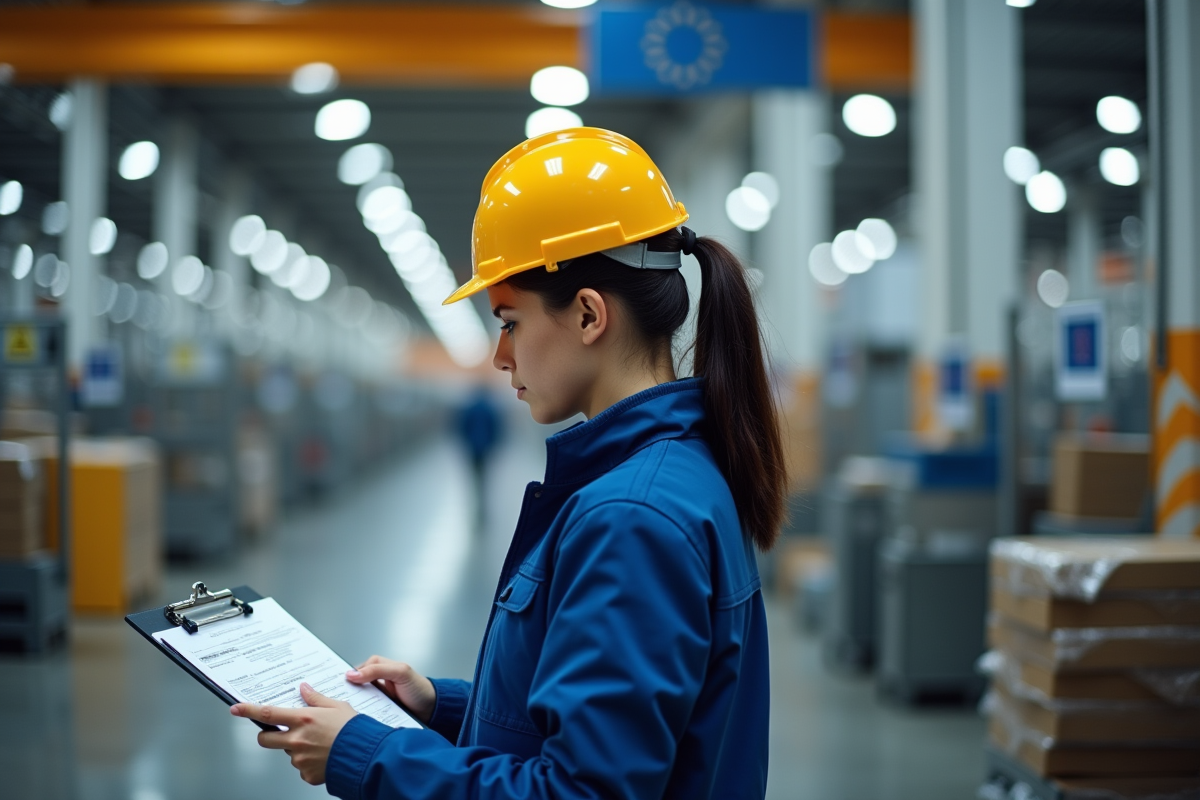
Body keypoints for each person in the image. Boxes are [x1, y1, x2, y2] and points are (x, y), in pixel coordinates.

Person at [231, 127, 788, 800]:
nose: (499, 357)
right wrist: (441, 707)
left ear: (588, 315)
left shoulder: (630, 517)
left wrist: (365, 753)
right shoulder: (676, 477)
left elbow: (582, 792)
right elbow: (605, 732)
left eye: (510, 322)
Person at [454, 384, 503, 530]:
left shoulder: (469, 408)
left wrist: (465, 442)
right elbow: (496, 428)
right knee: (484, 477)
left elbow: (462, 427)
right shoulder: (490, 408)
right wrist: (494, 444)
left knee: (475, 477)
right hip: (486, 447)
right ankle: (482, 506)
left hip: (473, 448)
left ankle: (477, 503)